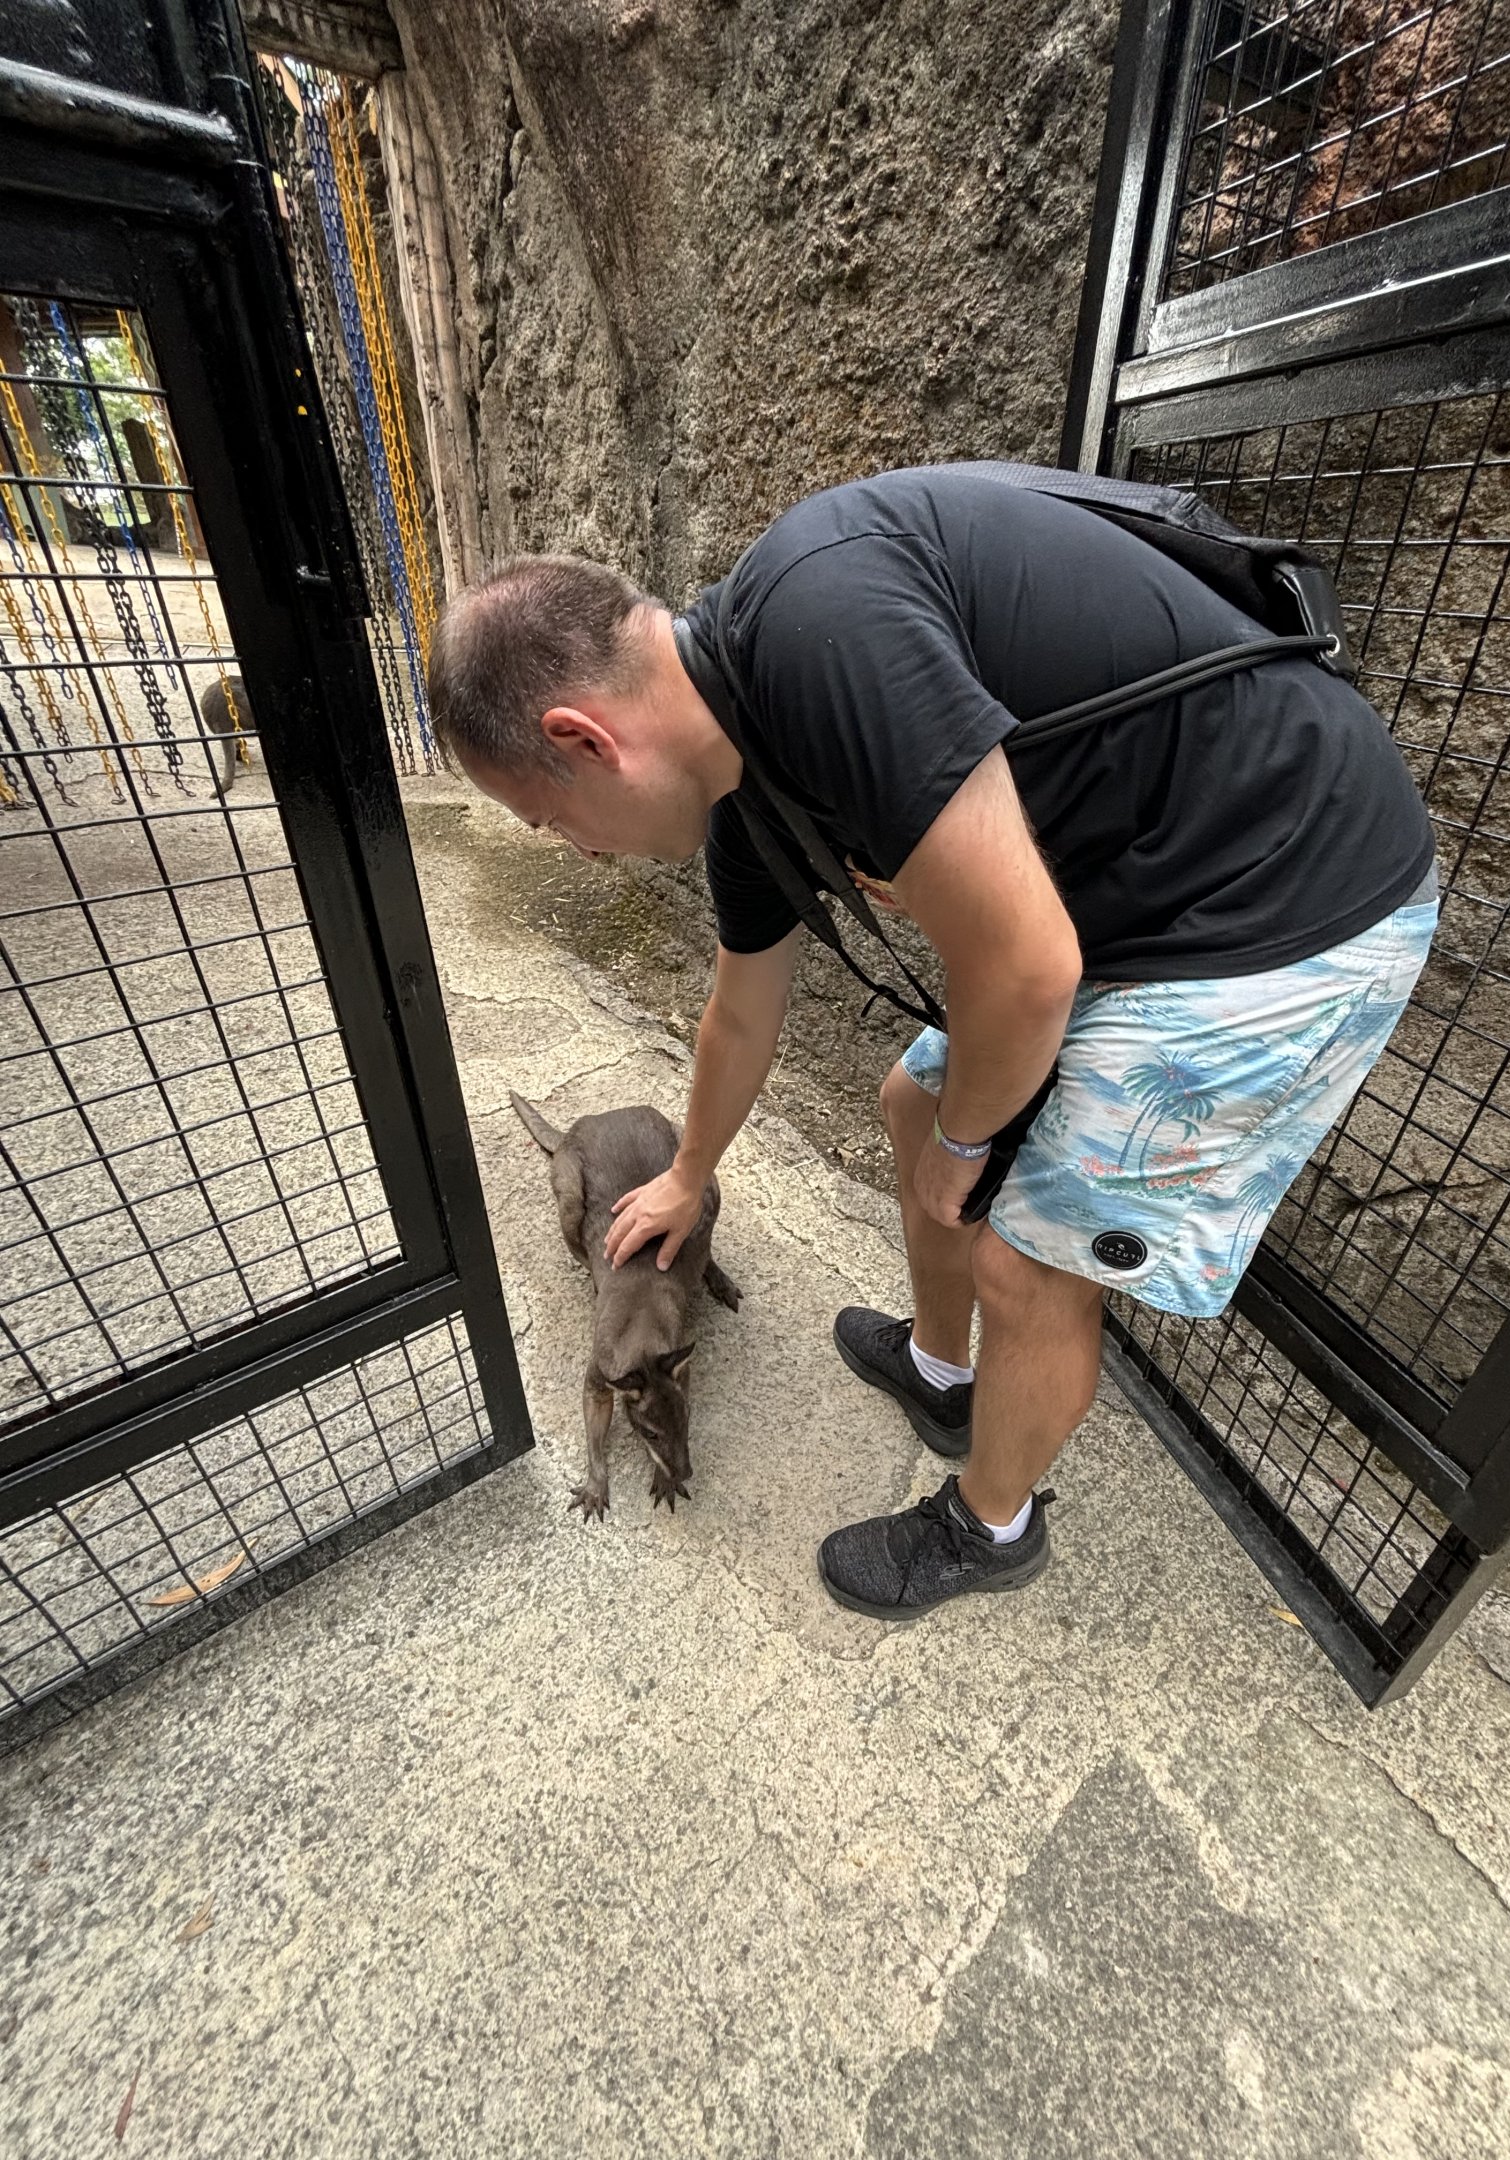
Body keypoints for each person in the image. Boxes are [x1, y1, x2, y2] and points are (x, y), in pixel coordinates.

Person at [428, 464, 1437, 1621]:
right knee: (911, 1105)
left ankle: (990, 1522)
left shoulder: (819, 630)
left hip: (1290, 905)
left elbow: (1024, 968)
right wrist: (688, 1174)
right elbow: (740, 1010)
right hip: (1141, 903)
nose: (574, 853)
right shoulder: (743, 766)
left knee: (1022, 1252)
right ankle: (945, 1374)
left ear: (584, 738)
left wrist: (975, 1147)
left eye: (548, 820)